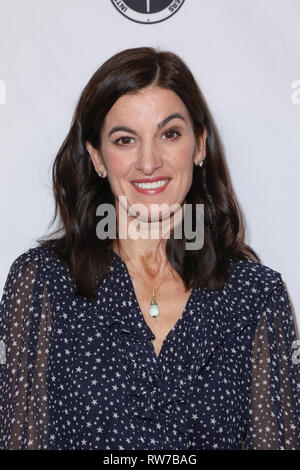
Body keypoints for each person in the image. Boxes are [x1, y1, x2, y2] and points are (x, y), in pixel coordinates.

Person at [0, 46, 299, 450]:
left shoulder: (255, 295)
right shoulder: (42, 283)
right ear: (97, 158)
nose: (148, 162)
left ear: (199, 146)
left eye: (169, 134)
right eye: (125, 140)